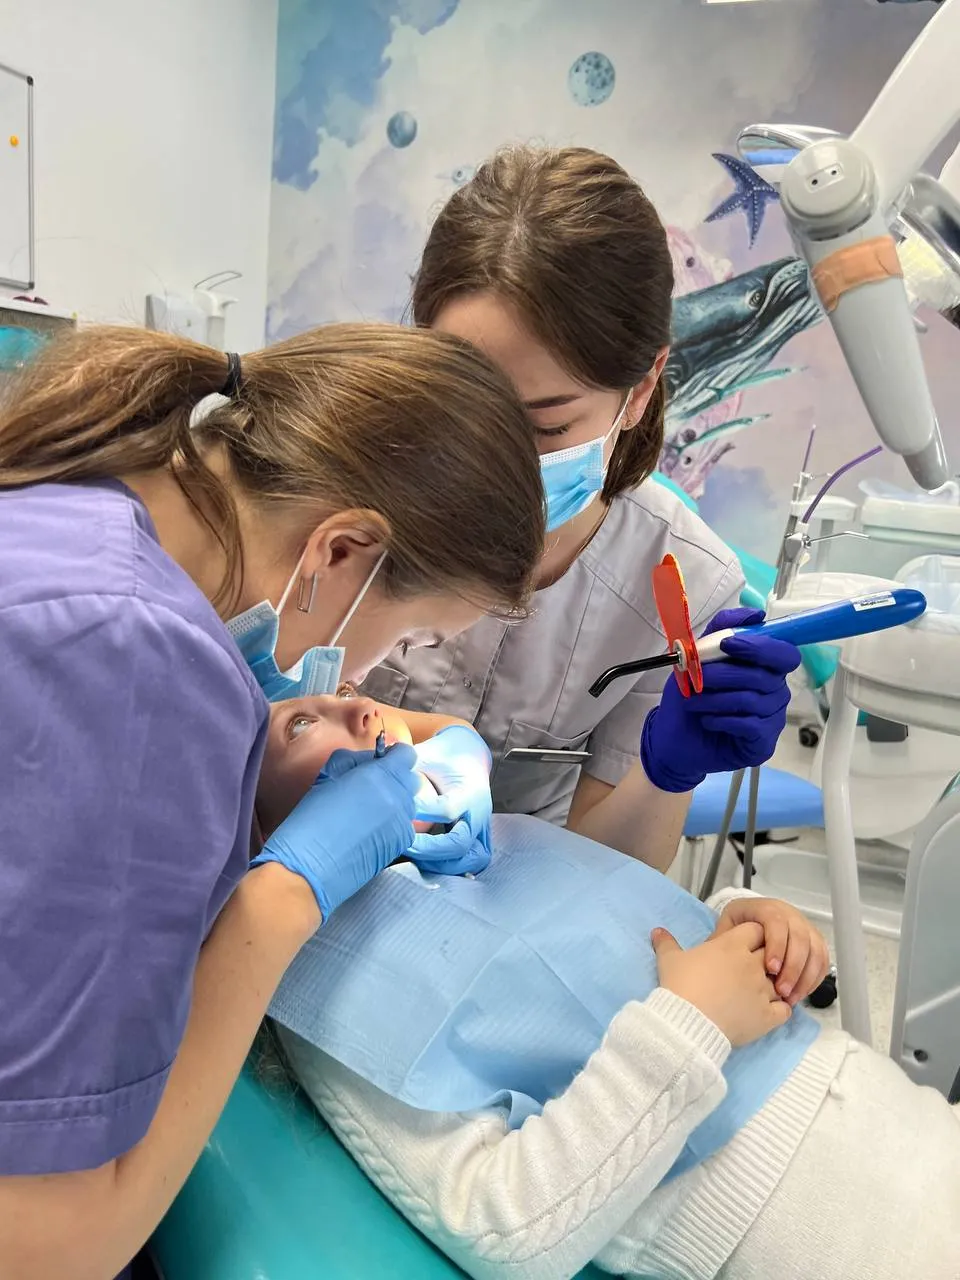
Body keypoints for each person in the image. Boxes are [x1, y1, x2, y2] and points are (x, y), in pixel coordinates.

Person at [0, 321, 545, 1278]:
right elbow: (48, 1247)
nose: (372, 683)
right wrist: (287, 891)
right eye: (410, 639)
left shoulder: (72, 497)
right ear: (341, 551)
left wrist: (234, 784)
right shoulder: (138, 663)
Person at [252, 726, 960, 1280]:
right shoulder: (327, 988)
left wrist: (745, 921)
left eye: (350, 684)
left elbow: (619, 942)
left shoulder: (488, 836)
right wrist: (693, 1026)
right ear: (252, 828)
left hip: (902, 1120)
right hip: (843, 1233)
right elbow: (505, 1229)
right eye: (305, 720)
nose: (368, 706)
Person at [362, 145, 794, 874]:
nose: (491, 456)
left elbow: (606, 882)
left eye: (545, 426)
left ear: (644, 385)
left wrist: (665, 771)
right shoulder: (349, 489)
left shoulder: (677, 584)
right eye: (465, 404)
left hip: (509, 919)